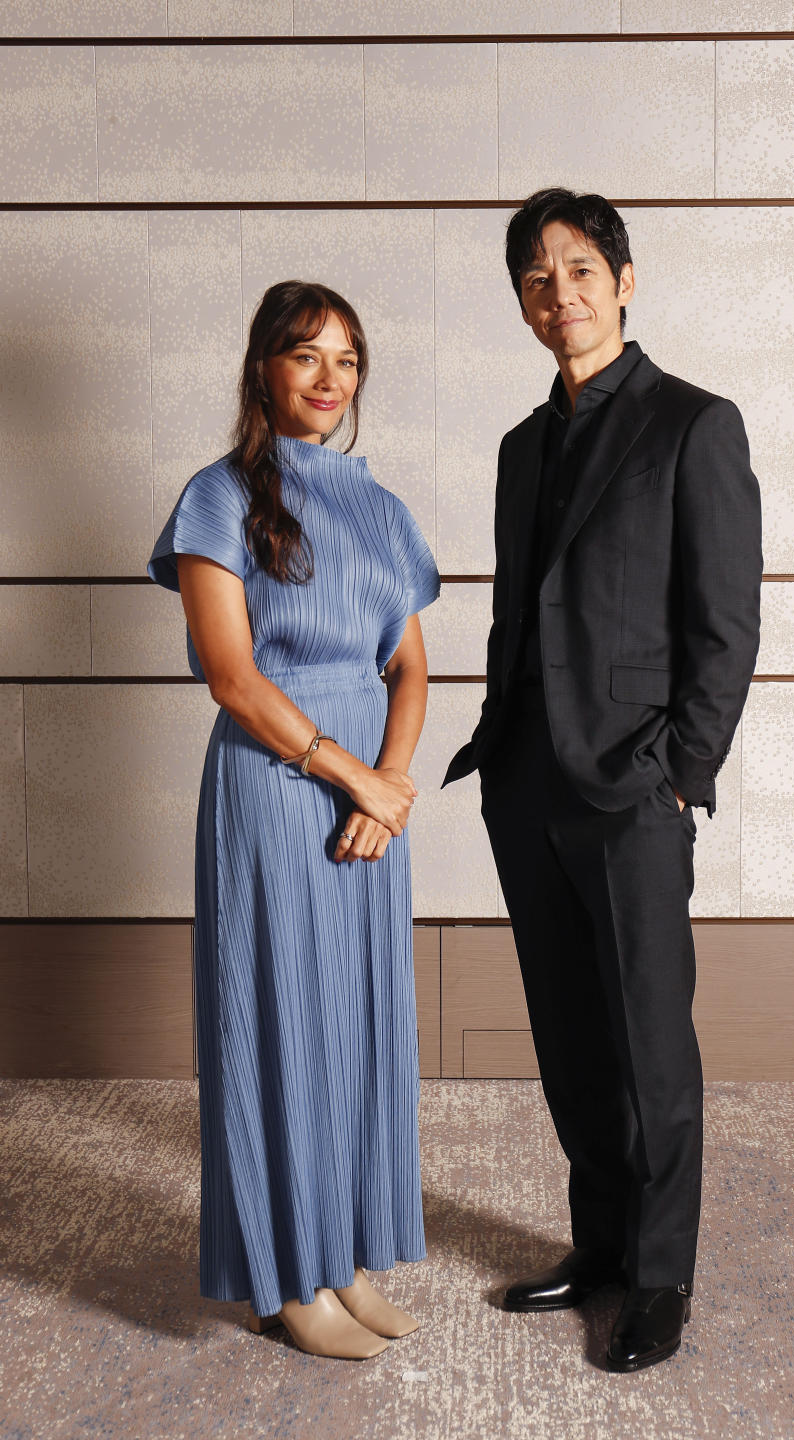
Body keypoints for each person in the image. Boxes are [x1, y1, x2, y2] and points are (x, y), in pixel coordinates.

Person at [444, 188, 763, 1372]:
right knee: (571, 1039)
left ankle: (664, 1274)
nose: (558, 294)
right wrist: (494, 744)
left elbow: (725, 626)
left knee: (649, 1042)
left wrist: (681, 774)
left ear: (624, 281)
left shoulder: (695, 425)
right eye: (536, 279)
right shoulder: (521, 448)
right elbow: (516, 613)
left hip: (633, 789)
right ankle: (600, 1246)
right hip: (527, 786)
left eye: (579, 271)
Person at [148, 280, 440, 1360]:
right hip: (273, 790)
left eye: (349, 360)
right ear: (263, 369)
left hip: (370, 790)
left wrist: (390, 782)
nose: (330, 379)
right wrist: (349, 777)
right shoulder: (217, 497)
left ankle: (346, 1256)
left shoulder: (378, 503)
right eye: (307, 355)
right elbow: (230, 676)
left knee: (358, 1027)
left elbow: (408, 664)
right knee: (278, 1025)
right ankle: (284, 1281)